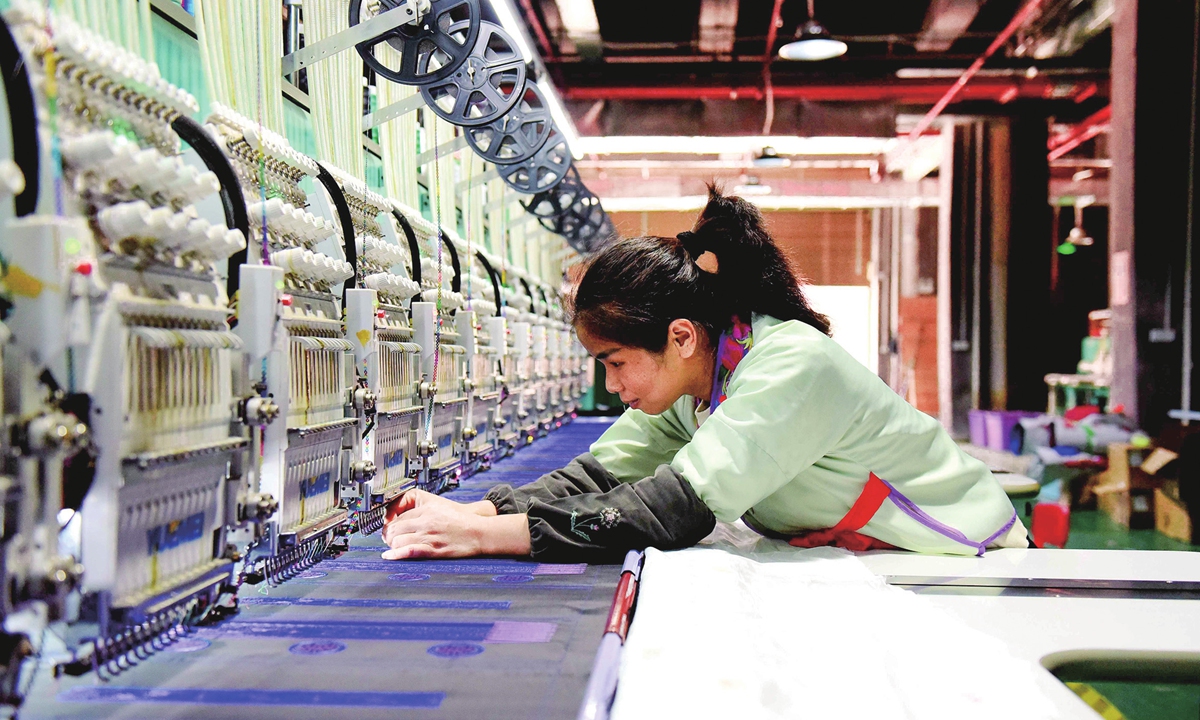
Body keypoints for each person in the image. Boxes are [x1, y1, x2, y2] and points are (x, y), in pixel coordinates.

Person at [379, 186, 1028, 562]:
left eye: (616, 363)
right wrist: (476, 509)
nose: (611, 387)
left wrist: (487, 538)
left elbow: (675, 510)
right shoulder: (701, 385)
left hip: (961, 556)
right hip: (875, 555)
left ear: (681, 337)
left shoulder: (788, 366)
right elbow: (603, 474)